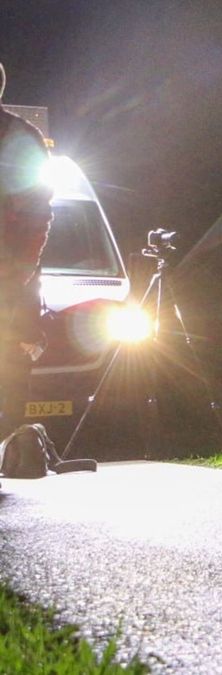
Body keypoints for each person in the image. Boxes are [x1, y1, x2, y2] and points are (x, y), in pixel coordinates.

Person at [0, 62, 54, 441]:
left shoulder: (21, 136)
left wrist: (19, 269)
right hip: (12, 272)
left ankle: (10, 445)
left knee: (12, 364)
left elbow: (37, 210)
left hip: (8, 274)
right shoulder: (24, 135)